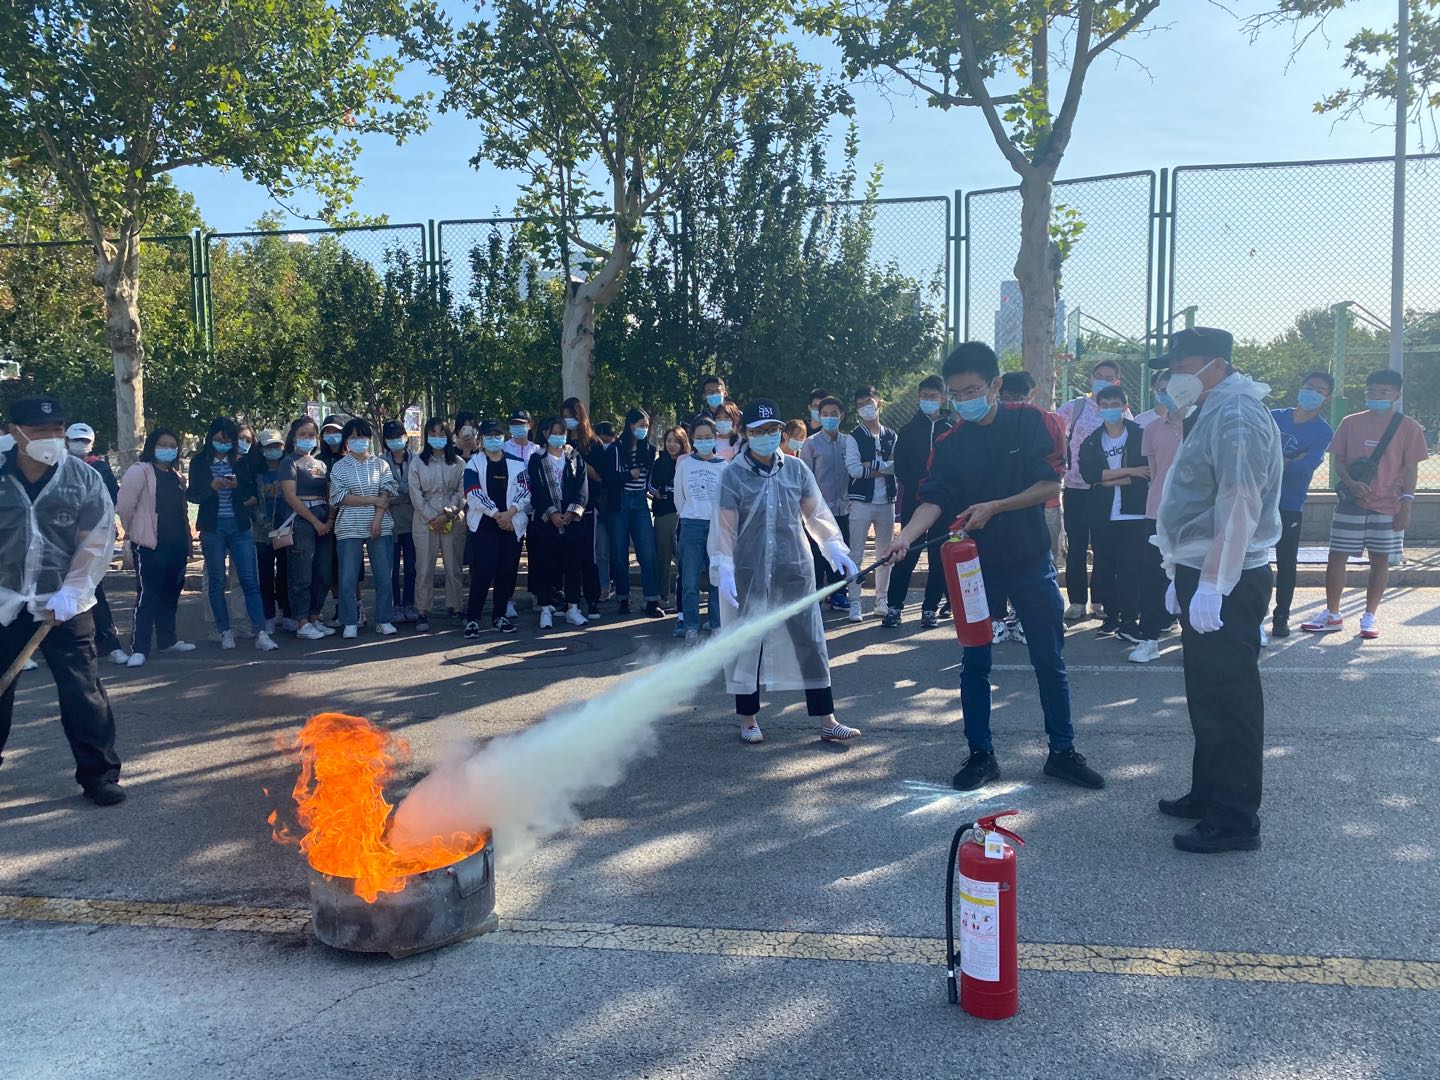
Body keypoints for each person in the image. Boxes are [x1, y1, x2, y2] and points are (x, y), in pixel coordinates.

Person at [881, 343, 1105, 794]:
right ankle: (981, 754)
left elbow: (1050, 484)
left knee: (1049, 658)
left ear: (996, 385)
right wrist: (905, 536)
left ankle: (1062, 752)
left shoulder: (1035, 422)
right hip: (973, 568)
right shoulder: (949, 442)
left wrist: (996, 506)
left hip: (1029, 560)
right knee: (975, 661)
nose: (964, 400)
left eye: (972, 390)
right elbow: (933, 500)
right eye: (955, 394)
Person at [1152, 327, 1282, 854]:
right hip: (1203, 567)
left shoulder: (1237, 414)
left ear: (1217, 365)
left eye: (1183, 367)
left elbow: (1240, 501)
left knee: (1231, 698)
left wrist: (1212, 583)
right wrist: (1178, 571)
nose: (1174, 378)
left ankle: (1235, 818)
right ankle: (1209, 793)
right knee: (1207, 692)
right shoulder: (1212, 408)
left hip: (1229, 575)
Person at [711, 398, 861, 744]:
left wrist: (833, 547)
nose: (766, 436)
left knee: (810, 639)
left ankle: (827, 719)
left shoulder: (796, 469)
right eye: (759, 431)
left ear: (780, 432)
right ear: (746, 433)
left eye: (772, 429)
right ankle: (748, 719)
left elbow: (816, 515)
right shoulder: (733, 474)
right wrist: (724, 566)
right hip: (748, 570)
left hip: (793, 567)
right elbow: (724, 528)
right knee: (748, 641)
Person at [0, 395, 124, 805]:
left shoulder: (81, 478)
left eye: (57, 429)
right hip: (4, 603)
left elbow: (97, 538)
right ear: (15, 432)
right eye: (40, 431)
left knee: (82, 691)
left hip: (65, 604)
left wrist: (73, 590)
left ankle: (99, 776)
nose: (51, 438)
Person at [1302, 369, 1427, 640]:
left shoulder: (1409, 427)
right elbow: (1339, 461)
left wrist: (1406, 505)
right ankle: (1332, 613)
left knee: (1379, 560)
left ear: (1396, 395)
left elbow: (1411, 470)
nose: (1376, 396)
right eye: (1371, 391)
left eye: (1383, 392)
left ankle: (1369, 616)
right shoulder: (1350, 423)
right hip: (1352, 503)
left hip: (1388, 505)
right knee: (1337, 557)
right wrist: (1350, 483)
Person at [189, 417, 277, 652]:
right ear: (210, 438)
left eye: (228, 440)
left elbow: (252, 496)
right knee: (217, 581)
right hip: (212, 528)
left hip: (240, 527)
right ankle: (224, 631)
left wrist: (237, 487)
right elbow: (192, 495)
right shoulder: (199, 462)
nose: (223, 443)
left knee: (250, 580)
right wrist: (211, 488)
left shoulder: (241, 462)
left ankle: (261, 633)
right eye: (219, 439)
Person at [115, 427, 198, 667]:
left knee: (171, 593)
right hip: (150, 545)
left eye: (172, 445)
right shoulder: (140, 471)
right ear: (152, 446)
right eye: (162, 444)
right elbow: (125, 507)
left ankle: (167, 640)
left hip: (177, 544)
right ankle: (139, 648)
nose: (168, 449)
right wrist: (134, 532)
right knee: (148, 596)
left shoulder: (175, 475)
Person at [1056, 359, 1130, 622]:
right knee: (1076, 545)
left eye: (1109, 378)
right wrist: (1060, 462)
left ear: (1117, 382)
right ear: (1091, 379)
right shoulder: (1075, 407)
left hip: (1105, 487)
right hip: (1075, 486)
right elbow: (1053, 427)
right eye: (1099, 376)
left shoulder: (1122, 411)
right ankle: (1076, 601)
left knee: (1103, 546)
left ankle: (1100, 599)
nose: (1102, 381)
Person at [1078, 384, 1151, 642]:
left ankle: (1130, 620)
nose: (1110, 410)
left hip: (1133, 514)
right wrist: (1129, 472)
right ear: (1098, 409)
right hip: (1102, 515)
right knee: (1105, 567)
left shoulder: (1140, 435)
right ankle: (1111, 617)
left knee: (1130, 568)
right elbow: (1091, 475)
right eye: (1105, 406)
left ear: (1125, 407)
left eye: (1115, 405)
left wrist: (1109, 479)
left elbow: (1147, 473)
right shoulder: (1092, 440)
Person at [1268, 373, 1334, 639]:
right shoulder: (1274, 417)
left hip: (1289, 503)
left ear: (1327, 398)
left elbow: (1306, 466)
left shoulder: (1323, 431)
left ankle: (1281, 617)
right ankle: (1250, 614)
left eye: (1319, 390)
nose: (1312, 393)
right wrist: (1290, 459)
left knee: (1286, 562)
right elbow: (1255, 453)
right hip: (1257, 499)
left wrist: (1280, 460)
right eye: (1309, 387)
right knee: (1251, 558)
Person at [884, 375, 952, 628]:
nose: (928, 401)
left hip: (943, 504)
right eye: (924, 396)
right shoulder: (908, 430)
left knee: (938, 557)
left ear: (943, 398)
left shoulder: (952, 429)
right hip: (915, 501)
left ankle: (930, 608)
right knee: (906, 552)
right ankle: (894, 607)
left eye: (933, 397)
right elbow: (901, 466)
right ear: (918, 397)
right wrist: (920, 487)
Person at [1130, 372, 1186, 663]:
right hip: (1157, 511)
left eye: (1171, 389)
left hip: (1193, 514)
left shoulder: (1201, 423)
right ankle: (1149, 639)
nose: (1166, 394)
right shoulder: (1151, 428)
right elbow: (1155, 471)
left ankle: (1192, 638)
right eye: (1161, 389)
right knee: (1152, 575)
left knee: (1190, 574)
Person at [328, 419, 399, 639]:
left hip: (380, 525)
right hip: (348, 527)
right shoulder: (339, 466)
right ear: (346, 441)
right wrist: (372, 499)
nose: (358, 441)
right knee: (347, 577)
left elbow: (387, 491)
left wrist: (377, 520)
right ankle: (349, 621)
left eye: (362, 436)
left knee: (383, 576)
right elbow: (339, 497)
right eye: (353, 437)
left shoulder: (381, 464)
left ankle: (384, 620)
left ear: (369, 438)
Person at [64, 422, 128, 665]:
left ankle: (109, 643)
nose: (80, 444)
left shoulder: (100, 468)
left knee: (94, 589)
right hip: (61, 541)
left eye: (85, 441)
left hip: (92, 539)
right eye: (76, 440)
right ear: (66, 441)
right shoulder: (56, 467)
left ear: (91, 443)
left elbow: (113, 498)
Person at [461, 420, 530, 635]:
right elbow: (473, 492)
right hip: (484, 525)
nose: (493, 438)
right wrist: (496, 514)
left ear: (503, 436)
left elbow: (525, 491)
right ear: (482, 438)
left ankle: (499, 616)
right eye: (488, 435)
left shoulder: (517, 463)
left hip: (511, 524)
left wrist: (509, 513)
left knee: (506, 571)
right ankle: (473, 619)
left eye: (497, 434)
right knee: (484, 571)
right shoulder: (474, 463)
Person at [528, 417, 590, 629]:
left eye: (562, 433)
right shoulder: (537, 458)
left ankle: (573, 608)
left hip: (572, 521)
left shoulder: (574, 456)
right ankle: (545, 609)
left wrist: (572, 512)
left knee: (573, 566)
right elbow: (536, 490)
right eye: (554, 432)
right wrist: (552, 513)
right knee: (545, 566)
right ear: (546, 433)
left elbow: (582, 487)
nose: (559, 437)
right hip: (546, 522)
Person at [278, 418, 335, 641]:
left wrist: (328, 520)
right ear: (293, 436)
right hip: (301, 520)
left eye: (311, 434)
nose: (307, 438)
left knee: (323, 572)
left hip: (323, 517)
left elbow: (330, 493)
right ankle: (302, 622)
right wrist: (315, 522)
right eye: (302, 434)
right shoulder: (288, 462)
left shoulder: (321, 464)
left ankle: (314, 617)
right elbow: (291, 497)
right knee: (301, 573)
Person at [844, 385, 897, 623]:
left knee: (885, 553)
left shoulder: (891, 435)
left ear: (879, 403)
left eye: (869, 402)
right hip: (861, 502)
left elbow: (897, 465)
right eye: (860, 405)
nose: (865, 407)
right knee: (855, 553)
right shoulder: (854, 437)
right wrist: (884, 467)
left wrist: (872, 465)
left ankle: (881, 600)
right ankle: (855, 601)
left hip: (887, 501)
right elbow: (854, 469)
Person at [606, 409, 666, 618]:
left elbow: (648, 479)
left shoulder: (649, 449)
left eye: (646, 426)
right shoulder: (615, 448)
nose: (644, 429)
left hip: (640, 502)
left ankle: (651, 600)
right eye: (641, 425)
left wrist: (654, 492)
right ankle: (623, 598)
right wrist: (627, 475)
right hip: (620, 502)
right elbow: (609, 479)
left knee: (648, 552)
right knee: (619, 552)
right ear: (630, 425)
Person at [409, 418, 466, 632]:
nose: (437, 438)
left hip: (453, 518)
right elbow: (415, 494)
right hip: (425, 520)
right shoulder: (417, 462)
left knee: (453, 566)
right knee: (424, 567)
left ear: (449, 436)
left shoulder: (458, 463)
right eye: (433, 434)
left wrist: (447, 514)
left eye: (442, 434)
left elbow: (462, 492)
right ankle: (422, 611)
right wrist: (433, 517)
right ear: (426, 436)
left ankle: (456, 607)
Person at [674, 418, 727, 645]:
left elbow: (727, 499)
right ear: (693, 439)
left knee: (717, 579)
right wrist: (689, 513)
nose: (704, 441)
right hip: (691, 525)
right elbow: (679, 496)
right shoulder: (685, 464)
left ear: (715, 438)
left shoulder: (724, 466)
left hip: (716, 526)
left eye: (708, 437)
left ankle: (717, 624)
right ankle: (691, 627)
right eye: (699, 437)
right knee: (690, 581)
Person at [800, 396, 855, 611]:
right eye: (825, 414)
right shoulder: (811, 443)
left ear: (842, 416)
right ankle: (815, 594)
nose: (829, 418)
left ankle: (838, 594)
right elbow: (805, 478)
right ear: (819, 416)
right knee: (816, 553)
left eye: (834, 414)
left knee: (840, 551)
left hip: (844, 508)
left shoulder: (849, 442)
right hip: (818, 511)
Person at [563, 397, 604, 619]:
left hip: (587, 509)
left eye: (572, 416)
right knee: (570, 558)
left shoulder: (594, 444)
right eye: (565, 417)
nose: (568, 421)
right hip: (564, 509)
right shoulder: (560, 442)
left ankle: (593, 601)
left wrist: (578, 460)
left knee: (589, 558)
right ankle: (571, 602)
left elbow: (599, 477)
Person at [251, 428, 292, 635]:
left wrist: (284, 524)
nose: (274, 449)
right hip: (262, 532)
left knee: (285, 574)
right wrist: (265, 524)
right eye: (269, 446)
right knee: (265, 576)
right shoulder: (255, 473)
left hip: (286, 529)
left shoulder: (289, 469)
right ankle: (268, 616)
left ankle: (287, 613)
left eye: (277, 445)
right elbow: (252, 503)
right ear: (261, 449)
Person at [650, 426, 688, 630]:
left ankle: (684, 600)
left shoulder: (689, 461)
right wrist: (658, 492)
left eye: (676, 441)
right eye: (668, 440)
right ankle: (662, 597)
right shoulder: (659, 462)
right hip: (664, 514)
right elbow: (650, 486)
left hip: (685, 515)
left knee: (684, 559)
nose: (672, 445)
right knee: (663, 556)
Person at [381, 420, 418, 624]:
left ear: (406, 437)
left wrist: (398, 491)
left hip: (413, 521)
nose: (396, 440)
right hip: (389, 521)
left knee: (412, 565)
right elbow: (382, 492)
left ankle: (409, 603)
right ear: (385, 440)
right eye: (391, 437)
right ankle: (395, 604)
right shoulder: (379, 462)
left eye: (399, 436)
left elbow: (419, 490)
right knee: (391, 567)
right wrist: (406, 492)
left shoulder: (417, 460)